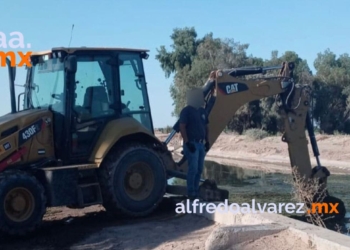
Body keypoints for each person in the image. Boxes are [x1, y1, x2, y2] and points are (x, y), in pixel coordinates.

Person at [179, 87, 210, 200]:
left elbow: (206, 126)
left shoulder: (203, 111)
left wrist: (207, 141)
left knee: (199, 169)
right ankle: (191, 193)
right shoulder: (186, 111)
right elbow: (182, 126)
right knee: (193, 168)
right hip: (192, 143)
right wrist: (187, 143)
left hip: (201, 144)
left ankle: (196, 191)